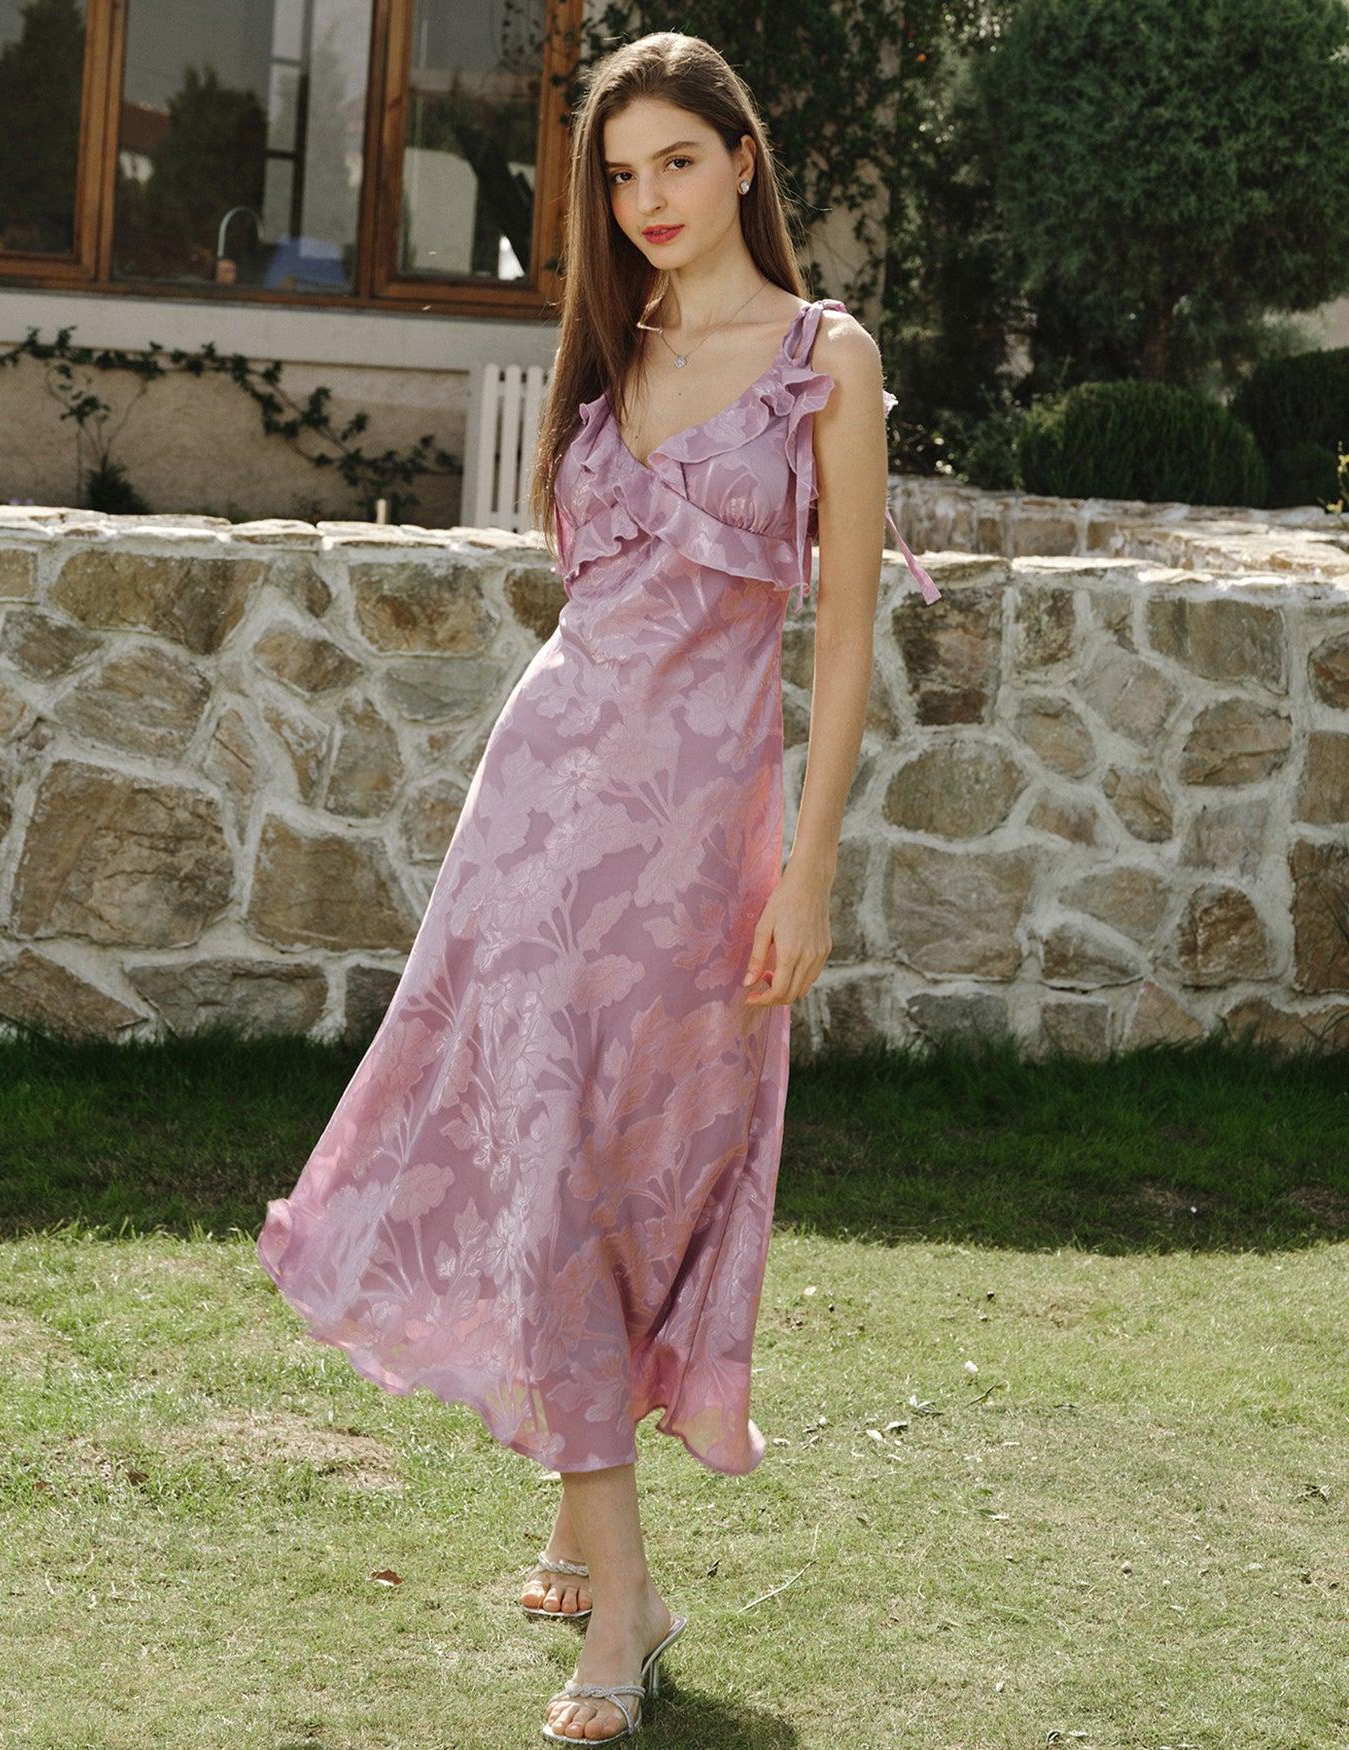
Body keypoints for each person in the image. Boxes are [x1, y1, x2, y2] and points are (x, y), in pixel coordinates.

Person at [257, 28, 938, 1745]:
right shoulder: (614, 346)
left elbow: (843, 639)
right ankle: (623, 1592)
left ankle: (581, 1518)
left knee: (649, 1168)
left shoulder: (826, 359)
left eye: (677, 163)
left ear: (743, 158)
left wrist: (811, 867)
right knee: (550, 1163)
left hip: (701, 850)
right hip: (540, 819)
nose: (649, 201)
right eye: (621, 177)